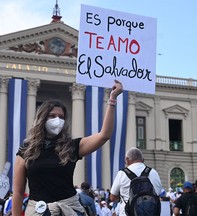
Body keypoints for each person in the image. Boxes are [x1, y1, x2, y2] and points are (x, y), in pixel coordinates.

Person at [12, 80, 123, 216]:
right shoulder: (26, 150)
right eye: (52, 116)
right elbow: (17, 192)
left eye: (61, 117)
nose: (57, 120)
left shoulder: (71, 146)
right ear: (42, 118)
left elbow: (104, 135)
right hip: (38, 211)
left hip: (69, 209)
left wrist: (112, 99)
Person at [109, 147, 163, 216]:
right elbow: (158, 192)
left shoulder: (122, 173)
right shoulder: (153, 172)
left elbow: (112, 197)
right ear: (143, 160)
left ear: (127, 160)